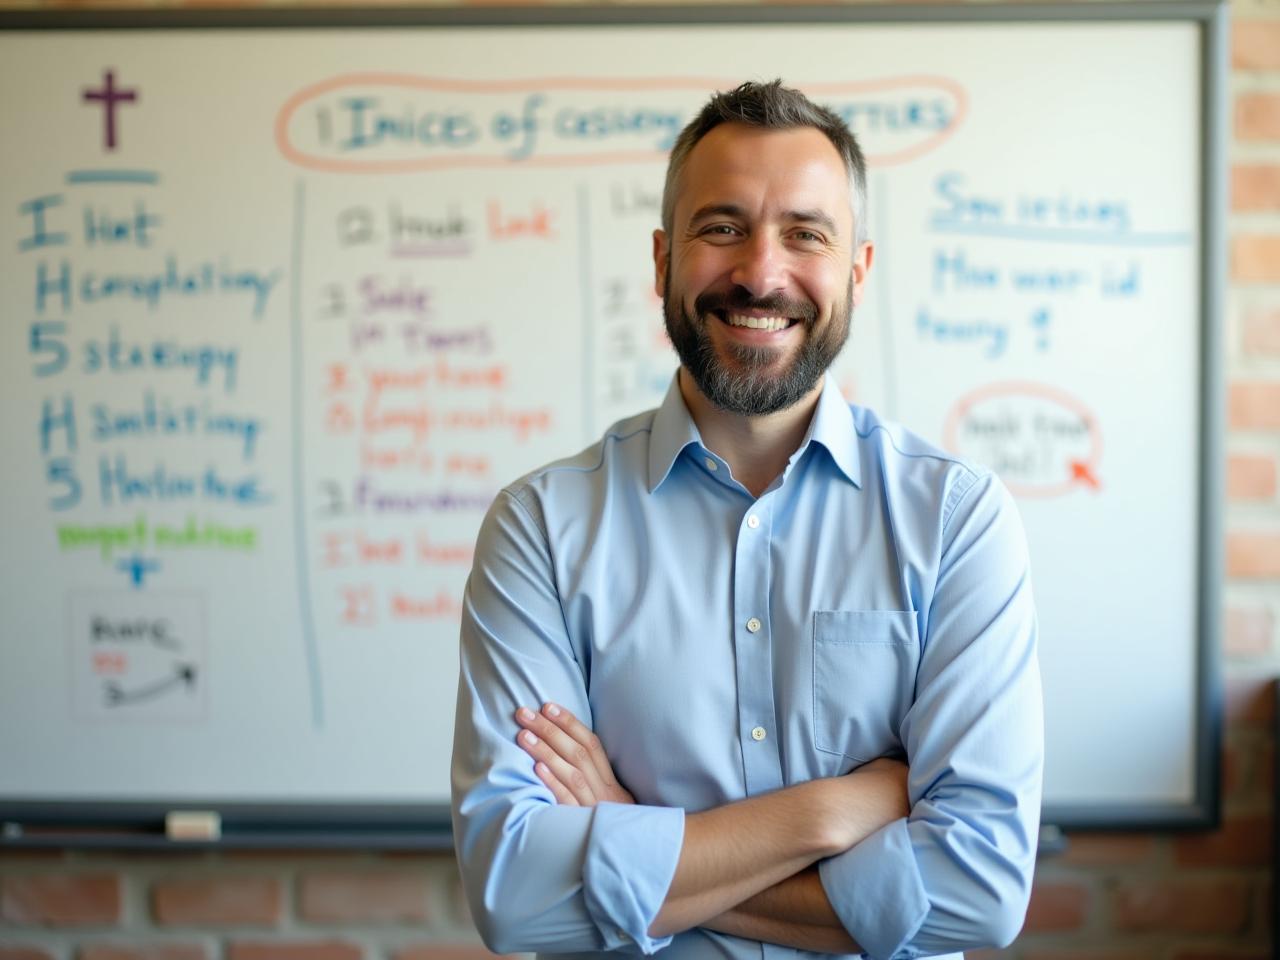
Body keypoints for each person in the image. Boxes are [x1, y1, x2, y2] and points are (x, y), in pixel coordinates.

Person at [451, 79, 1043, 960]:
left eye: (805, 234)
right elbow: (516, 893)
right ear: (661, 260)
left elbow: (979, 890)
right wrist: (833, 811)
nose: (761, 273)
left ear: (858, 270)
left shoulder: (956, 520)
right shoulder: (540, 527)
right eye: (722, 228)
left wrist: (628, 833)